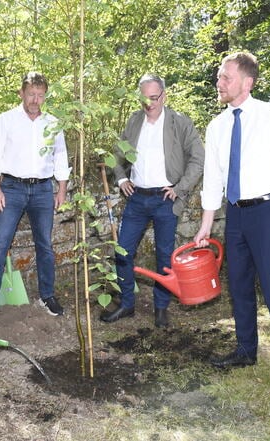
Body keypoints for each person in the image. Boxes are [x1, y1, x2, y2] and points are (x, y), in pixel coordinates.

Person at [193, 52, 270, 397]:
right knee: (240, 284)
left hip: (269, 211)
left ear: (247, 82)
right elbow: (213, 179)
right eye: (219, 77)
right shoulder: (216, 126)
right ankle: (246, 350)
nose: (219, 83)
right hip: (235, 214)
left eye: (226, 77)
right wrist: (207, 224)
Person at [100, 74, 204, 328]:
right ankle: (126, 304)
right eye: (144, 98)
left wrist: (180, 188)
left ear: (164, 96)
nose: (149, 103)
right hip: (137, 199)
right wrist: (122, 178)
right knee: (123, 251)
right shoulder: (135, 121)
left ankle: (161, 308)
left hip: (165, 200)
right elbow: (117, 155)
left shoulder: (179, 123)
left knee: (164, 255)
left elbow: (199, 158)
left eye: (154, 98)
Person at [0, 72, 70, 323]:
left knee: (45, 246)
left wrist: (61, 189)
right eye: (31, 94)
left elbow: (60, 157)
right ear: (21, 93)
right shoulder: (6, 120)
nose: (35, 100)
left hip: (42, 190)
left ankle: (47, 295)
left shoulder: (53, 123)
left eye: (40, 96)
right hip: (11, 189)